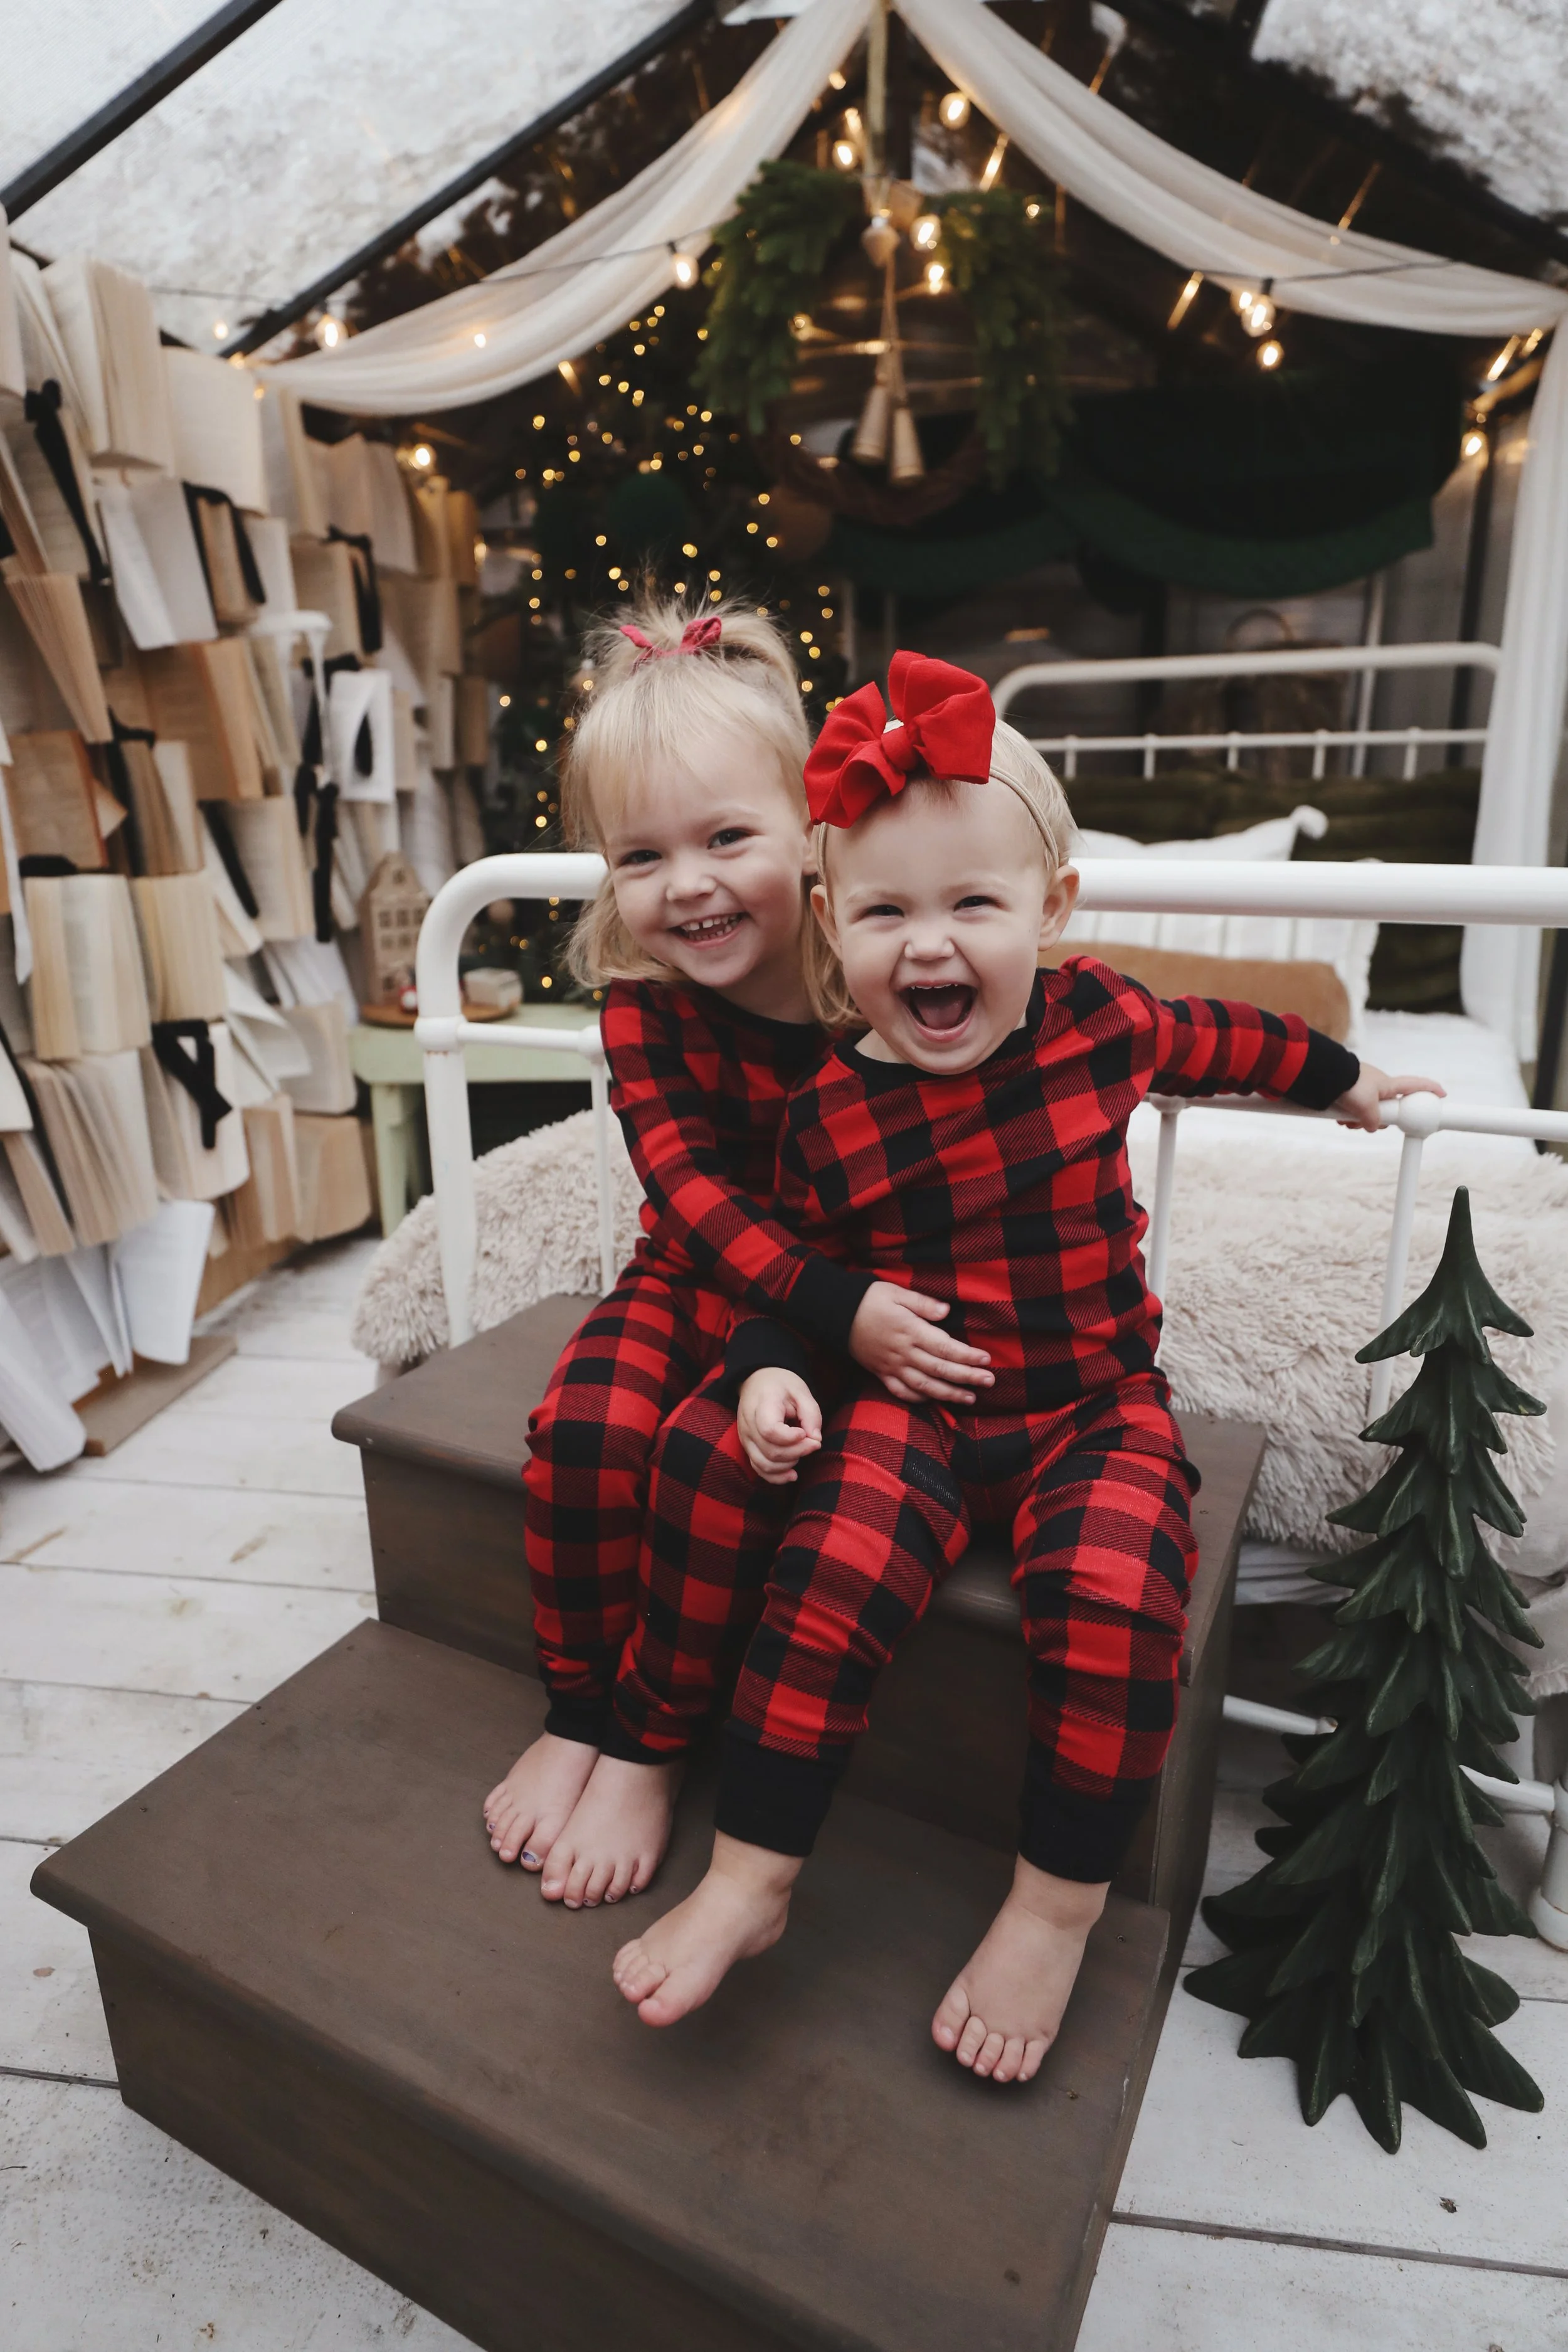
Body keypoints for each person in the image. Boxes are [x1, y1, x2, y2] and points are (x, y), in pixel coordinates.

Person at [612, 650, 1444, 2082]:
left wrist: (1340, 1076)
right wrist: (762, 1370)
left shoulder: (1097, 1024)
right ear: (828, 923)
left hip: (1092, 1411)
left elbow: (1224, 1038)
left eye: (971, 906)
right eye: (883, 913)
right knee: (820, 1586)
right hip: (912, 1413)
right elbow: (795, 1273)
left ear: (1049, 910)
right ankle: (751, 1880)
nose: (927, 949)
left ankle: (1051, 1909)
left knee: (1123, 1600)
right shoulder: (828, 1104)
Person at [484, 602, 993, 1907]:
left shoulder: (869, 976)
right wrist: (827, 1300)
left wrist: (845, 1313)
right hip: (697, 1270)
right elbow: (691, 1199)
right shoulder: (643, 1010)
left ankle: (651, 1743)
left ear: (813, 844)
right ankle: (578, 1710)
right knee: (586, 1425)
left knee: (714, 1464)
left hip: (834, 1304)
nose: (688, 885)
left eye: (726, 838)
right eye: (640, 857)